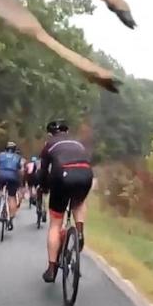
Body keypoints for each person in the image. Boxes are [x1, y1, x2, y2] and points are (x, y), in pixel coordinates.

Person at [39, 119, 93, 283]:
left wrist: (45, 187)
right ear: (66, 132)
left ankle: (51, 268)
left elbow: (43, 171)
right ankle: (80, 230)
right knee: (79, 202)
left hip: (62, 176)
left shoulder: (49, 144)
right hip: (85, 175)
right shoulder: (78, 144)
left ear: (50, 134)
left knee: (56, 223)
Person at [0, 141, 22, 230]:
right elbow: (19, 169)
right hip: (13, 177)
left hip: (1, 175)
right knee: (11, 197)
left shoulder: (0, 155)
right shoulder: (18, 157)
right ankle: (10, 218)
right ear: (15, 150)